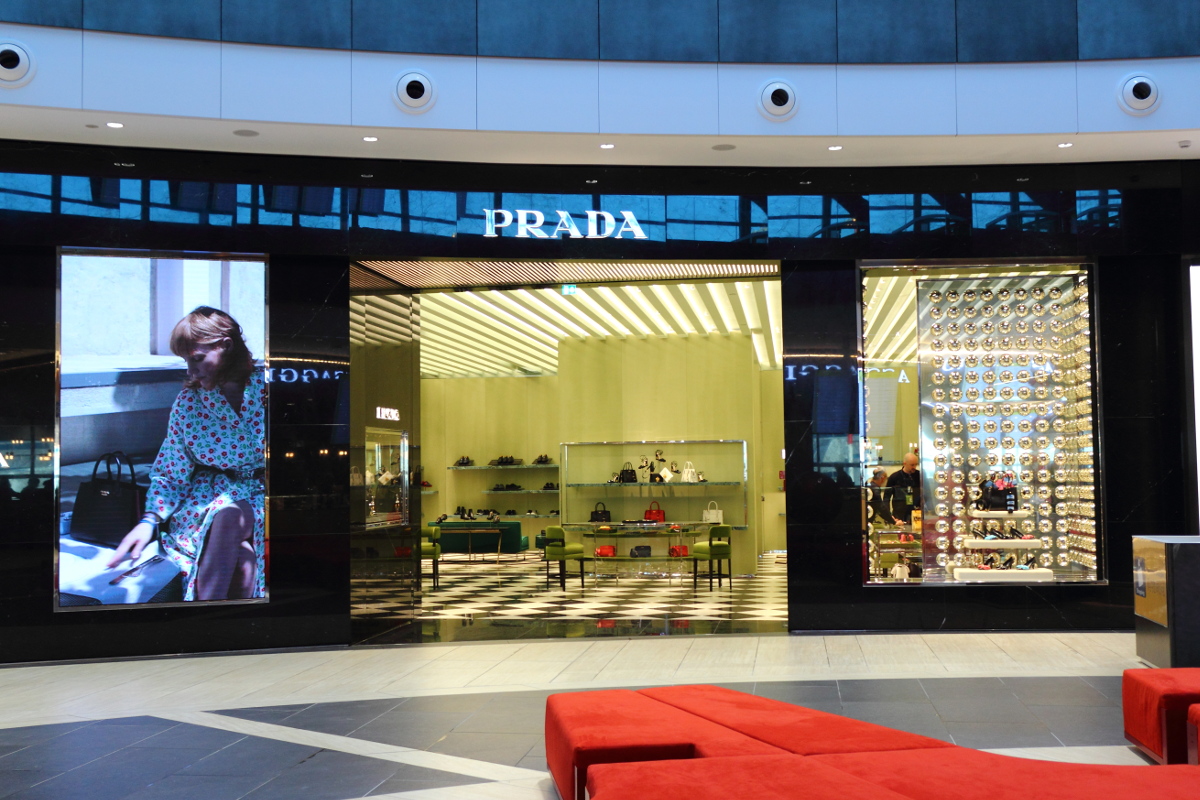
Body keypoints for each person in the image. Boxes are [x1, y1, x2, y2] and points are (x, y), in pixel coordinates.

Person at [107, 307, 266, 601]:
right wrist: (148, 521)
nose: (191, 371)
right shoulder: (188, 403)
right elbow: (172, 469)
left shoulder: (268, 391)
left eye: (197, 358)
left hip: (261, 495)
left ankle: (200, 617)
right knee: (243, 561)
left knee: (229, 518)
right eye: (186, 361)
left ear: (226, 346)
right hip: (203, 504)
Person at [885, 452, 921, 524]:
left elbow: (927, 494)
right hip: (899, 514)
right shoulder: (894, 477)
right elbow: (886, 498)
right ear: (904, 463)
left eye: (916, 464)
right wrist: (888, 516)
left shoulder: (920, 476)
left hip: (917, 513)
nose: (914, 467)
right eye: (912, 465)